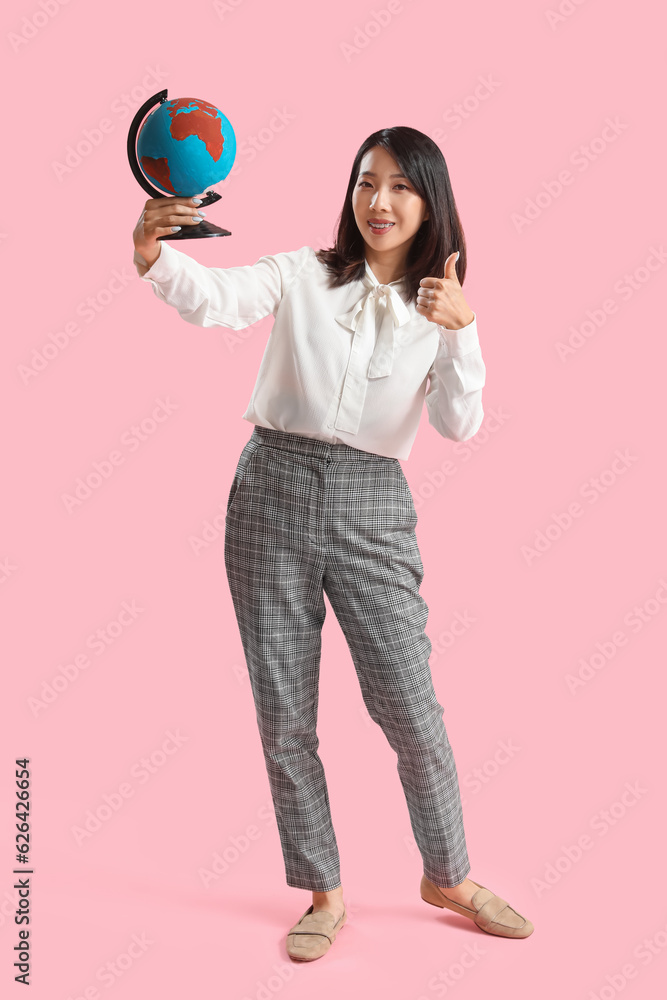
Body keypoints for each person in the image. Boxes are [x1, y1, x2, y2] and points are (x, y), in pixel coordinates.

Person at [132, 125, 534, 961]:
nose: (378, 201)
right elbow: (216, 300)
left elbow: (460, 425)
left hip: (371, 504)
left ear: (431, 202)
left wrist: (463, 330)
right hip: (269, 490)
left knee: (410, 708)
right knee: (284, 713)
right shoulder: (305, 273)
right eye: (364, 182)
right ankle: (323, 891)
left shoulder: (441, 304)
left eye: (399, 186)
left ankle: (448, 874)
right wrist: (153, 253)